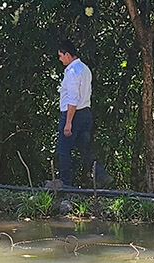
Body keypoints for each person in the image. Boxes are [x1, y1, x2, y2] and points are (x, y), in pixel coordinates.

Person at [55, 39, 111, 189]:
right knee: (85, 149)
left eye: (60, 56)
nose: (60, 59)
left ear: (67, 54)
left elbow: (73, 98)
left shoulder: (73, 72)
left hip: (74, 114)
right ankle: (101, 174)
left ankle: (65, 184)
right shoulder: (85, 69)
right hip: (86, 113)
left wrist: (68, 122)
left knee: (63, 150)